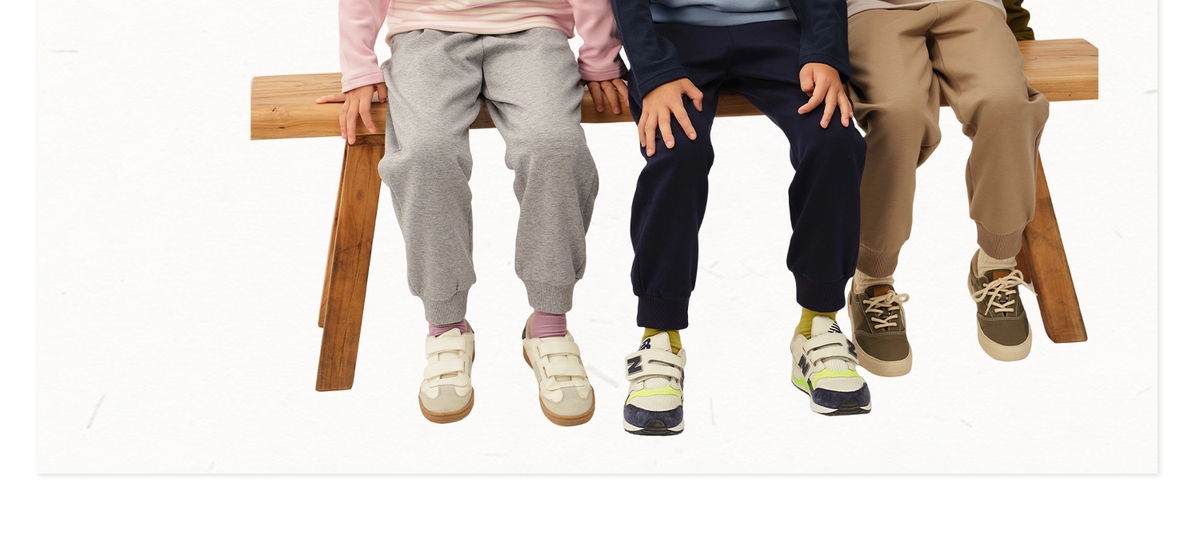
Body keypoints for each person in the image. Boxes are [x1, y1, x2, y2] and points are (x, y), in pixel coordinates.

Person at [318, 0, 629, 425]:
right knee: (425, 154)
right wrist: (358, 67)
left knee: (555, 148)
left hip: (534, 30)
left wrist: (600, 57)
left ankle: (549, 323)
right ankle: (445, 327)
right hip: (425, 33)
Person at [608, 0, 871, 434]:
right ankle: (659, 336)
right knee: (676, 152)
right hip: (674, 38)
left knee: (834, 141)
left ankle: (819, 323)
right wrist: (653, 69)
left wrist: (824, 52)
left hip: (778, 29)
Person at [842, 0, 1048, 376]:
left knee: (1006, 104)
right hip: (872, 8)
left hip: (971, 5)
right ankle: (872, 279)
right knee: (897, 114)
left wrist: (1016, 28)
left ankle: (996, 264)